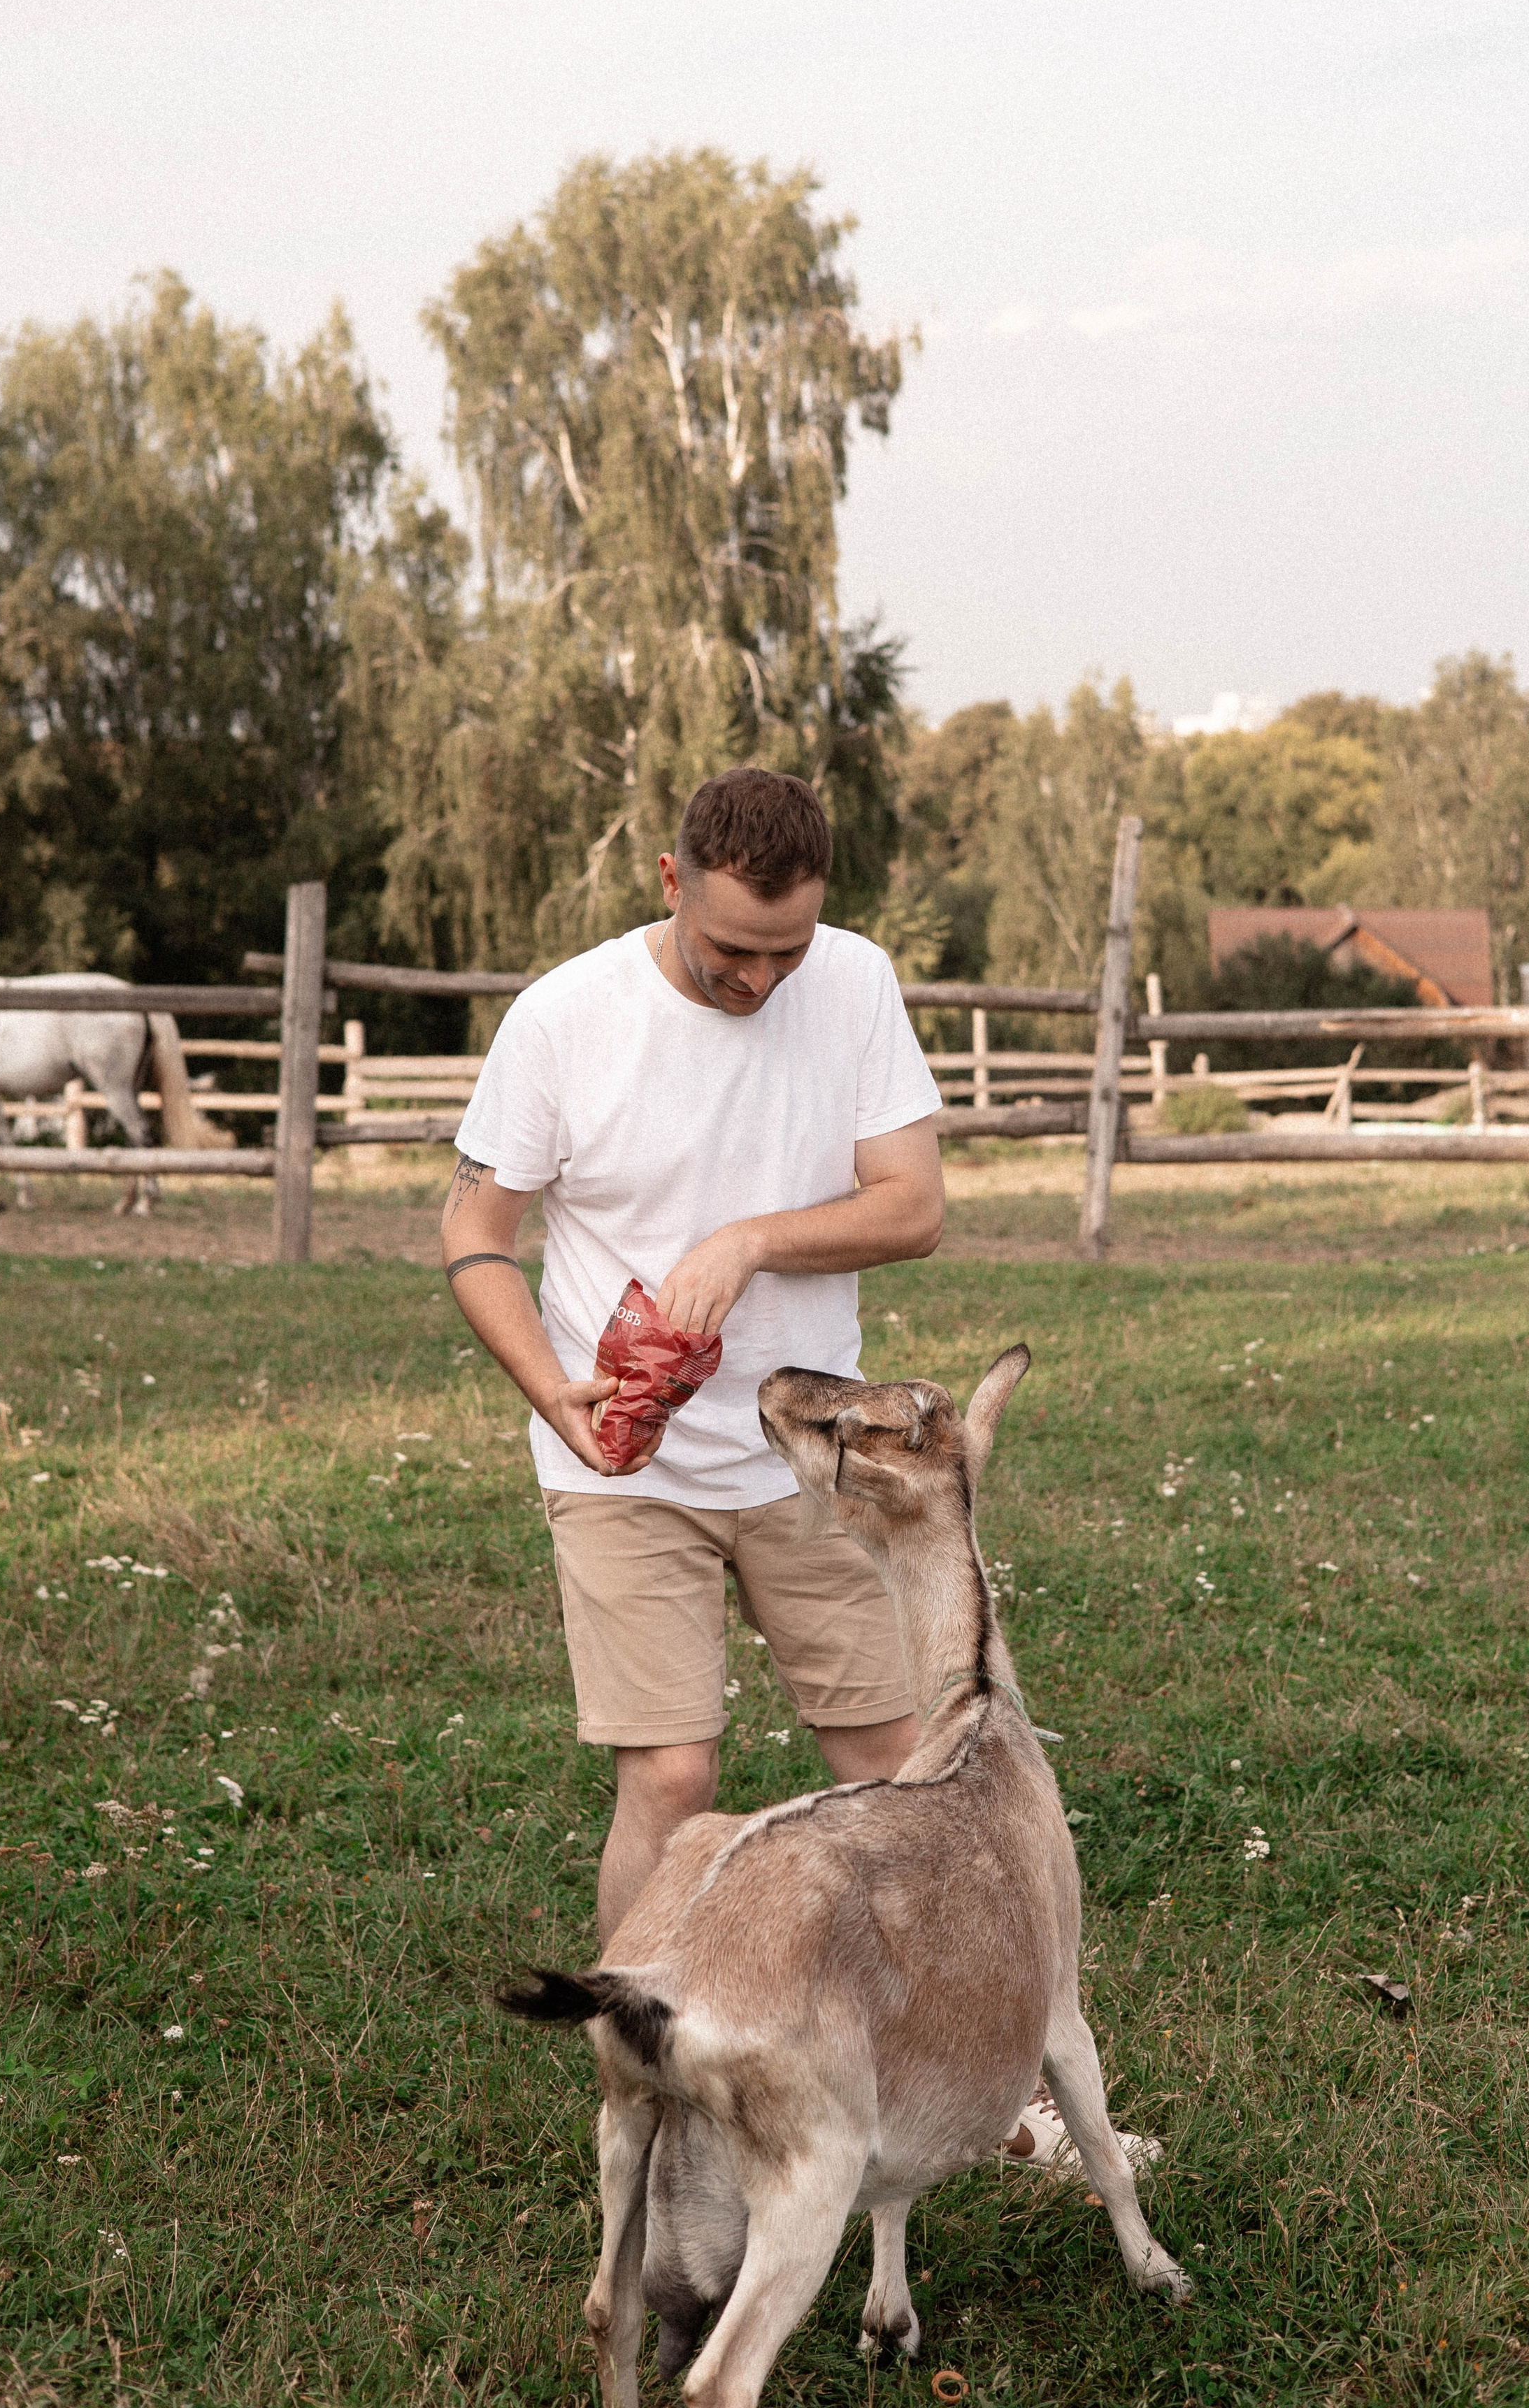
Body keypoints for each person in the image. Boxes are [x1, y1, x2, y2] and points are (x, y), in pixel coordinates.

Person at [442, 767, 1084, 2177]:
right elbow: (475, 1233)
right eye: (730, 949)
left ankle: (990, 2080)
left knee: (901, 1775)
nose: (757, 979)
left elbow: (909, 1206)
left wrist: (744, 1243)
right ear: (669, 884)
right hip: (626, 1459)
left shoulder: (848, 985)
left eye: (782, 951)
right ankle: (644, 2093)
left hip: (813, 1468)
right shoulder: (564, 1018)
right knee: (671, 1775)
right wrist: (556, 1392)